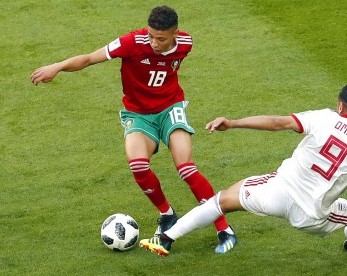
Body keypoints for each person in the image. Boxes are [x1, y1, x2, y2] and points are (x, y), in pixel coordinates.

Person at [138, 83, 347, 256]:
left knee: (221, 200)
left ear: (340, 105)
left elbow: (278, 123)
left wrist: (233, 122)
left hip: (275, 193)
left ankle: (166, 238)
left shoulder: (323, 117)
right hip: (311, 215)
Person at [30, 5, 237, 254]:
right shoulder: (130, 42)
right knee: (138, 164)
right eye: (151, 36)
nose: (154, 42)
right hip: (138, 114)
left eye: (160, 38)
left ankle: (224, 228)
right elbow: (88, 59)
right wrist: (58, 66)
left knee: (186, 168)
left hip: (171, 108)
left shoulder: (185, 43)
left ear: (175, 34)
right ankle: (167, 214)